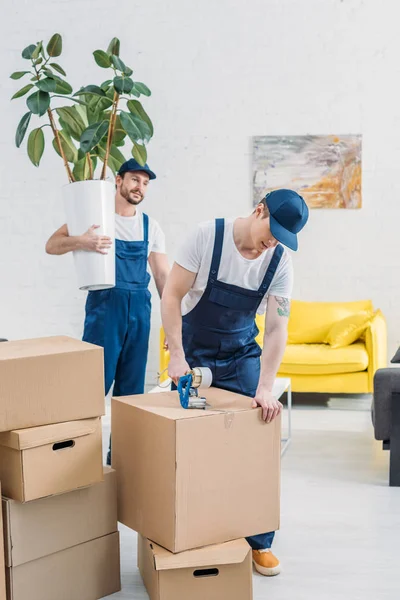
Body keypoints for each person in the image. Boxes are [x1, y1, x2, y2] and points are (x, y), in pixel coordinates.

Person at [161, 189, 309, 576]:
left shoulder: (279, 262)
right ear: (258, 209)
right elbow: (172, 295)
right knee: (194, 448)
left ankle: (259, 542)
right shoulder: (206, 237)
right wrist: (176, 356)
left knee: (256, 444)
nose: (271, 243)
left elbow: (277, 328)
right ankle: (192, 532)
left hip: (242, 355)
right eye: (271, 231)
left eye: (280, 239)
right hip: (194, 355)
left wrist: (265, 387)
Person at [46, 159, 169, 465]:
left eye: (145, 183)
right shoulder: (97, 217)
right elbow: (52, 245)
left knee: (131, 392)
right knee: (92, 387)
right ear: (118, 180)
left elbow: (162, 277)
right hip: (105, 311)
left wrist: (172, 324)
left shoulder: (150, 226)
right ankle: (77, 460)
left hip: (140, 312)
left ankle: (122, 460)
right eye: (134, 180)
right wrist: (82, 240)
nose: (139, 187)